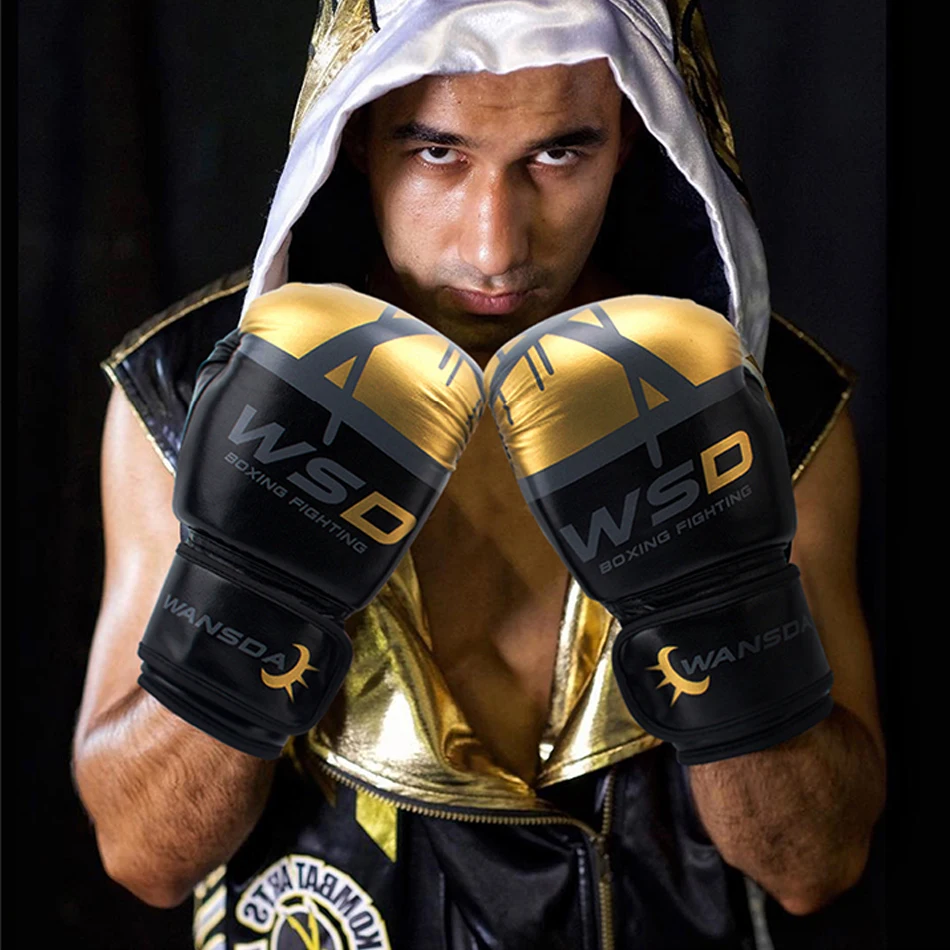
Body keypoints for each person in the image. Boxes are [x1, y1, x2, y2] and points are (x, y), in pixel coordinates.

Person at [73, 2, 886, 948]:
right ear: (356, 136)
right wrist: (254, 593)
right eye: (437, 153)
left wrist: (718, 614)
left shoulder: (765, 411)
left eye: (559, 154)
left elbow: (814, 867)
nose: (496, 247)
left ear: (633, 135)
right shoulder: (193, 394)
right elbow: (146, 856)